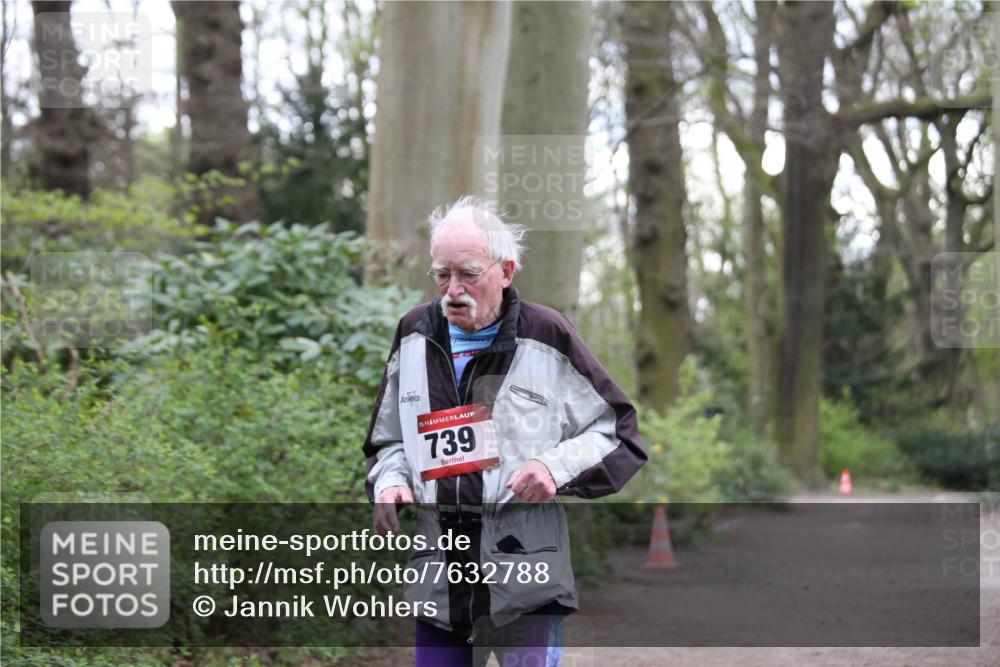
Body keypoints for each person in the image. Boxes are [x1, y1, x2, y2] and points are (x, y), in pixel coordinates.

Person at [363, 196, 646, 667]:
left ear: (507, 271)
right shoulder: (413, 332)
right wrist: (390, 480)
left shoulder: (547, 334)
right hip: (439, 575)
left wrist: (552, 468)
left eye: (468, 274)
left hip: (525, 572)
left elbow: (617, 431)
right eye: (441, 275)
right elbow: (388, 438)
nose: (452, 289)